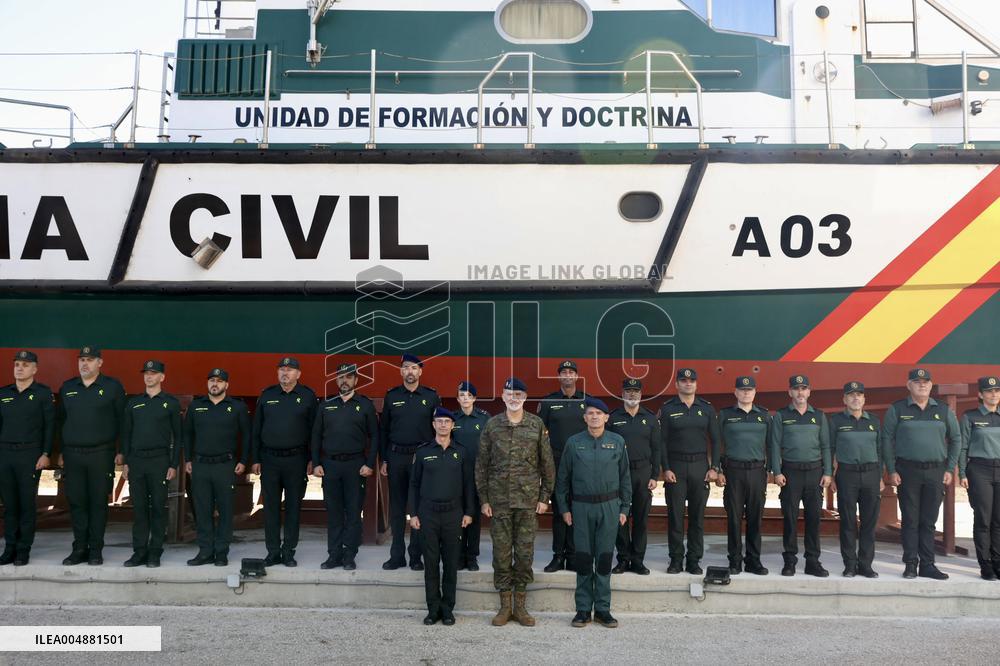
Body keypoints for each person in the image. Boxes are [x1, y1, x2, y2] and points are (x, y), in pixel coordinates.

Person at [476, 378, 555, 628]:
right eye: (509, 393)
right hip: (498, 501)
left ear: (525, 397)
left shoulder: (536, 424)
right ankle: (504, 606)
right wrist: (484, 499)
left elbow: (547, 464)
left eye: (518, 393)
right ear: (502, 395)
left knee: (524, 554)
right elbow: (481, 465)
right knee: (500, 554)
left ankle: (520, 606)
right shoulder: (492, 425)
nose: (513, 397)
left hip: (528, 501)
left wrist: (544, 498)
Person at [557, 397, 630, 629]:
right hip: (581, 508)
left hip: (609, 507)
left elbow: (625, 477)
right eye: (590, 413)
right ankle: (582, 610)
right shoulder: (573, 442)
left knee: (605, 559)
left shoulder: (617, 441)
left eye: (599, 413)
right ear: (585, 417)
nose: (595, 417)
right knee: (584, 559)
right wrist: (564, 509)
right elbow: (562, 480)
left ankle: (602, 609)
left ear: (607, 417)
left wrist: (624, 508)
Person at [883, 368, 960, 580]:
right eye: (917, 382)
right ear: (909, 385)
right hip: (907, 471)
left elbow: (956, 439)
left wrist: (949, 467)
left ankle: (928, 565)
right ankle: (910, 564)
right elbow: (886, 440)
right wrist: (891, 469)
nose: (922, 385)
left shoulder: (943, 410)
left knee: (928, 521)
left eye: (926, 382)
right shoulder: (897, 409)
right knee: (910, 520)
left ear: (931, 384)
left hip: (935, 471)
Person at [57, 346, 126, 566]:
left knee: (97, 503)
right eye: (81, 360)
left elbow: (123, 422)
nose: (84, 364)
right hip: (73, 454)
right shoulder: (68, 387)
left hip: (101, 453)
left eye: (89, 360)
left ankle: (95, 550)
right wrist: (59, 451)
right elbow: (60, 421)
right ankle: (79, 548)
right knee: (77, 502)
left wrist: (121, 451)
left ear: (100, 363)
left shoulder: (112, 387)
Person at [409, 407, 474, 626]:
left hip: (453, 514)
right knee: (431, 562)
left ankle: (447, 609)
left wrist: (468, 512)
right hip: (428, 514)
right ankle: (432, 609)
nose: (443, 425)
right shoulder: (422, 452)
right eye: (440, 421)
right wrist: (413, 514)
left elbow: (468, 485)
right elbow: (414, 485)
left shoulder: (461, 452)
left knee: (450, 563)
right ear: (433, 425)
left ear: (452, 425)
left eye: (447, 421)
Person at [251, 357, 317, 567]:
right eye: (281, 370)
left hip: (296, 460)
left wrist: (312, 460)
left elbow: (315, 432)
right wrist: (255, 459)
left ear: (298, 374)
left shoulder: (307, 396)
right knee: (270, 507)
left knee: (293, 507)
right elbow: (256, 430)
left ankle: (288, 551)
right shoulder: (267, 395)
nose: (285, 373)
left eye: (289, 370)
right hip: (270, 460)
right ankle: (272, 551)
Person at [311, 363, 378, 571]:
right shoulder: (325, 404)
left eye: (349, 377)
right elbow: (315, 435)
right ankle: (334, 555)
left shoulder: (364, 405)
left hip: (355, 465)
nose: (344, 381)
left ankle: (349, 555)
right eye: (340, 377)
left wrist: (369, 464)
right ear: (336, 379)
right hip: (330, 465)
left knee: (353, 512)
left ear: (356, 380)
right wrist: (316, 463)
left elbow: (375, 436)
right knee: (334, 512)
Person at [183, 368, 250, 567]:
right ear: (207, 384)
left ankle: (221, 552)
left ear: (226, 385)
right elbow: (187, 435)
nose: (215, 384)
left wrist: (243, 460)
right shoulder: (196, 406)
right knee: (202, 511)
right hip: (201, 465)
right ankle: (205, 551)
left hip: (225, 465)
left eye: (219, 381)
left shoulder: (237, 407)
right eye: (212, 380)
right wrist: (188, 459)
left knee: (225, 510)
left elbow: (246, 436)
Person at [380, 354, 440, 571]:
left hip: (422, 458)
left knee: (419, 508)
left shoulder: (431, 397)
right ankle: (397, 555)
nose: (410, 371)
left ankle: (416, 555)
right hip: (397, 457)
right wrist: (385, 458)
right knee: (397, 508)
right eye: (406, 368)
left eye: (414, 368)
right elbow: (384, 430)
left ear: (420, 372)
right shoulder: (392, 396)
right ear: (401, 371)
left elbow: (438, 429)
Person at [769, 374, 832, 577]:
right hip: (790, 473)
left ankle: (813, 561)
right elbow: (774, 445)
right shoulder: (781, 415)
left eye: (804, 388)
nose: (800, 392)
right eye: (796, 389)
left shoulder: (819, 415)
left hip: (814, 472)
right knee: (790, 518)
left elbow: (825, 446)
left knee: (814, 519)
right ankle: (790, 561)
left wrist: (828, 472)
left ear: (809, 391)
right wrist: (776, 472)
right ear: (790, 392)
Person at [658, 368, 720, 574]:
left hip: (699, 468)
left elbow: (716, 440)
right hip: (676, 468)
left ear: (696, 384)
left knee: (697, 518)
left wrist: (714, 468)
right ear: (676, 384)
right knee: (675, 517)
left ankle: (694, 560)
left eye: (691, 380)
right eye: (683, 381)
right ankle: (676, 559)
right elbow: (662, 442)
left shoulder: (707, 408)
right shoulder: (667, 409)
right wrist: (665, 468)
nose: (688, 384)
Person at [121, 360, 181, 568]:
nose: (149, 376)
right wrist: (126, 463)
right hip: (137, 461)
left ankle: (155, 551)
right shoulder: (133, 403)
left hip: (159, 461)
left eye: (154, 373)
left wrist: (173, 465)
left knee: (157, 507)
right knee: (139, 509)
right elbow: (126, 435)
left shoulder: (170, 403)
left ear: (162, 377)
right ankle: (139, 552)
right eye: (146, 373)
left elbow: (178, 437)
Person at [0, 350, 54, 566]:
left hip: (30, 454)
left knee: (26, 504)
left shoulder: (42, 393)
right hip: (5, 454)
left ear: (34, 369)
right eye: (17, 364)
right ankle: (9, 547)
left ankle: (24, 549)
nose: (19, 368)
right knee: (9, 505)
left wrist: (46, 453)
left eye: (25, 364)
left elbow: (50, 426)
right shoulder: (3, 393)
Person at [716, 376, 769, 575]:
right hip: (733, 472)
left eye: (750, 389)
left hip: (757, 471)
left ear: (755, 392)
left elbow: (771, 444)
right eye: (742, 389)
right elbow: (716, 443)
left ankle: (754, 561)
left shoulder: (763, 415)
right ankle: (735, 561)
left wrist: (771, 470)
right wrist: (719, 469)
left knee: (756, 519)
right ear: (735, 392)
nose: (746, 393)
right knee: (734, 519)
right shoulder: (726, 415)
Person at [537, 360, 587, 572]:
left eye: (571, 372)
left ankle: (574, 555)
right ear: (559, 377)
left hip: (581, 464)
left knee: (577, 509)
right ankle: (558, 556)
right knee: (559, 510)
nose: (567, 375)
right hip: (556, 463)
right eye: (563, 372)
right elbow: (539, 433)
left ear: (576, 377)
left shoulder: (587, 401)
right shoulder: (549, 402)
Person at [829, 381, 882, 578]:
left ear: (864, 399)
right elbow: (830, 449)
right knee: (848, 522)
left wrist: (880, 476)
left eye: (859, 395)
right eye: (851, 395)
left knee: (869, 522)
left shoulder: (874, 421)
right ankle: (850, 564)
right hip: (847, 475)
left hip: (871, 474)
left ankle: (866, 565)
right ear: (844, 399)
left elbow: (880, 450)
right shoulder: (836, 421)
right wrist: (831, 474)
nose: (855, 398)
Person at [607, 377, 659, 575]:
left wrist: (655, 475)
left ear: (641, 394)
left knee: (640, 519)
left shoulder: (651, 418)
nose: (632, 394)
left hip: (643, 474)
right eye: (628, 391)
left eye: (635, 392)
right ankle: (623, 559)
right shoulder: (613, 418)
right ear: (622, 394)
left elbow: (656, 449)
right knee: (620, 519)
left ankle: (637, 560)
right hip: (620, 474)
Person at [960, 376, 1000, 580]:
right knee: (983, 519)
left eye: (997, 391)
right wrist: (961, 472)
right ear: (980, 394)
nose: (994, 394)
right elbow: (963, 446)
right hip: (979, 470)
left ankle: (998, 562)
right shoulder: (971, 417)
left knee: (998, 520)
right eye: (989, 391)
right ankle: (985, 565)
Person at [452, 381, 490, 571]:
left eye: (469, 395)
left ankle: (472, 556)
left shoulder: (483, 419)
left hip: (477, 474)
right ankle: (459, 555)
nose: (465, 399)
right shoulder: (452, 419)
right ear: (457, 398)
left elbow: (490, 447)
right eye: (461, 395)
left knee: (473, 516)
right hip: (456, 475)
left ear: (474, 398)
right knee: (458, 515)